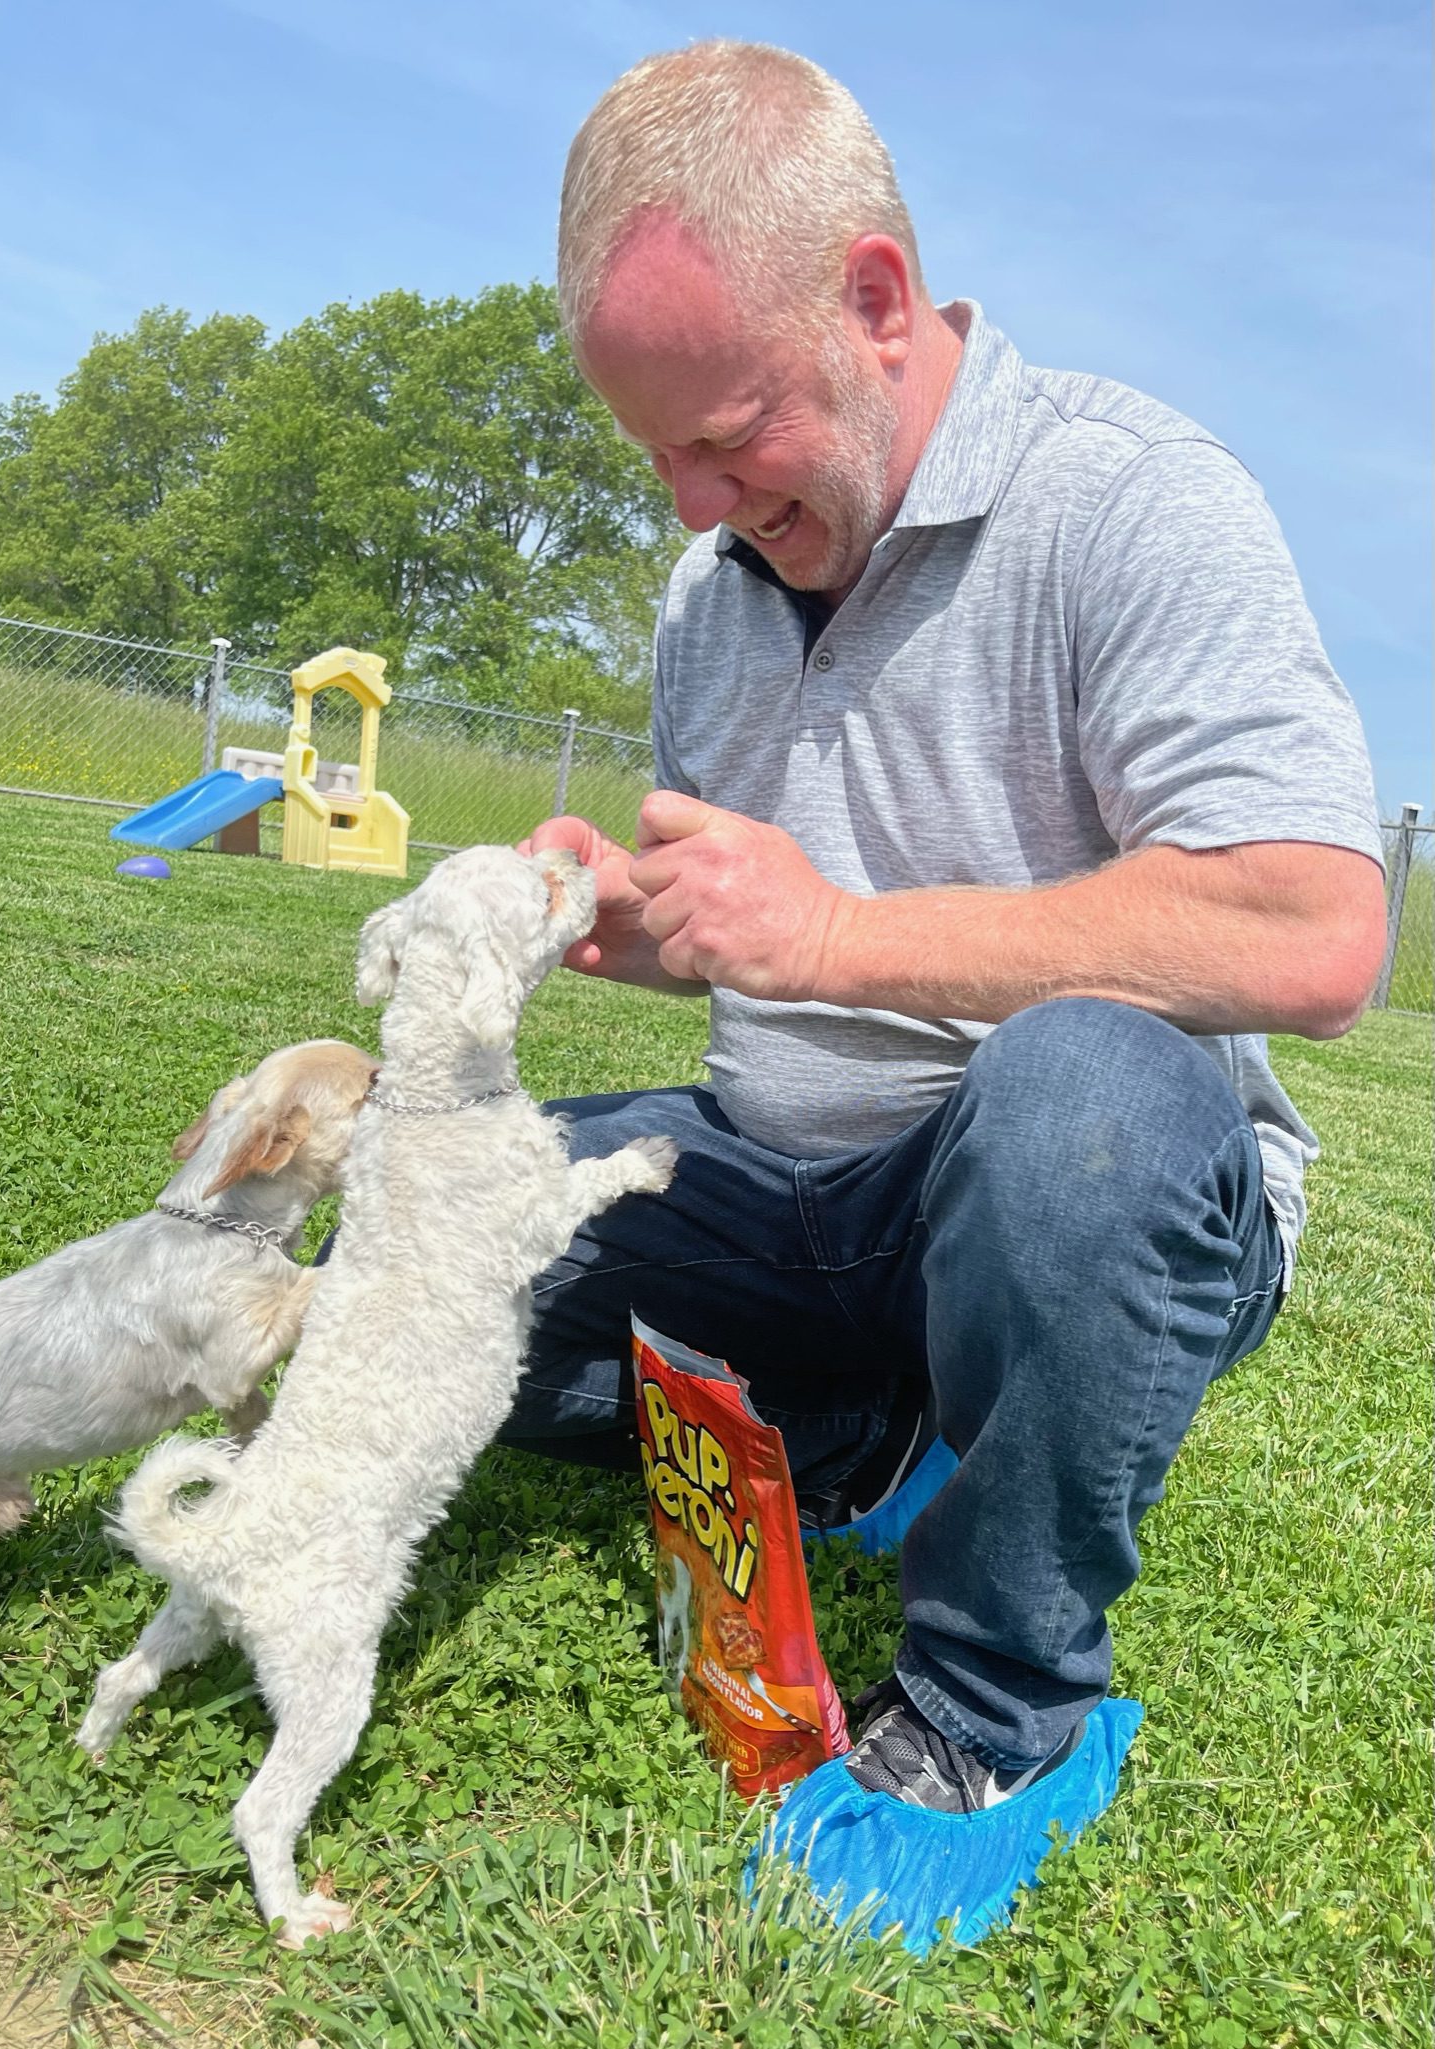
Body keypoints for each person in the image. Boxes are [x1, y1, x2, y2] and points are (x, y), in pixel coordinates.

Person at [499, 39, 1386, 1929]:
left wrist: (829, 936)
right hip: (794, 1184)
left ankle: (1001, 1708)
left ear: (878, 302)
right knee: (449, 1246)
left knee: (1085, 1104)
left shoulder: (1133, 501)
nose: (686, 503)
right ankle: (860, 1432)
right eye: (652, 450)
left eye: (723, 432)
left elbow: (1316, 927)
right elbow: (758, 931)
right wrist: (630, 926)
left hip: (1064, 1190)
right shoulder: (713, 585)